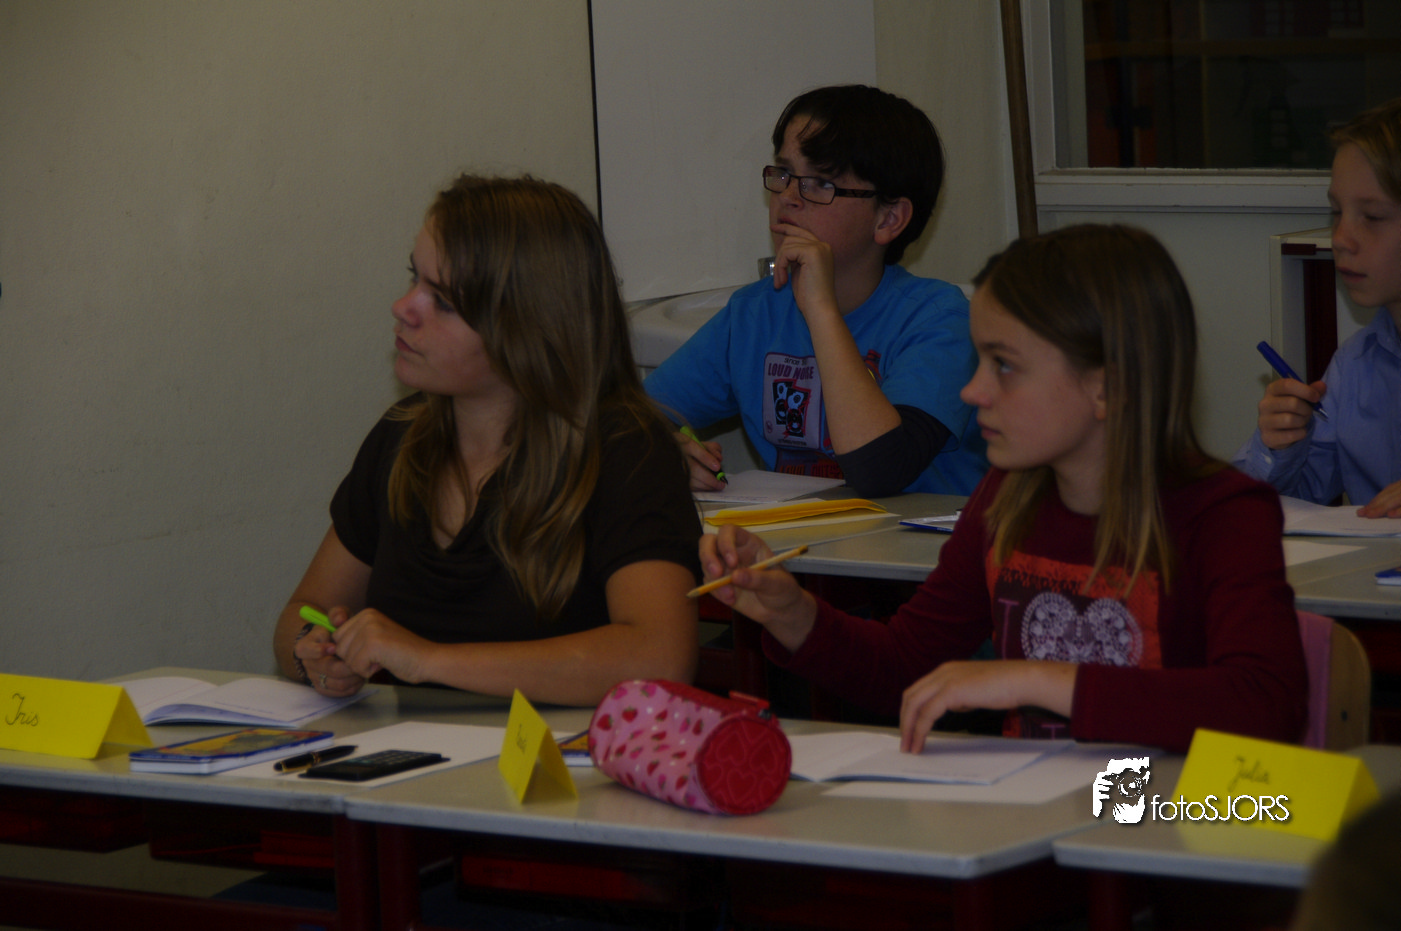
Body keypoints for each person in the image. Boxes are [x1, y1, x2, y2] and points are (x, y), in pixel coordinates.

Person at [699, 224, 1308, 754]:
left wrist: (1036, 680)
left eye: (1005, 365)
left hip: (1164, 815)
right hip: (1035, 810)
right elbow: (905, 665)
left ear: (1107, 386)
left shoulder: (1223, 514)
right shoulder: (1008, 498)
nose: (973, 391)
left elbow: (1265, 705)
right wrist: (793, 613)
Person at [274, 175, 702, 706]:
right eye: (414, 278)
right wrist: (312, 653)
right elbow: (302, 612)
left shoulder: (625, 449)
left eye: (443, 301)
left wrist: (428, 660)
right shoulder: (402, 435)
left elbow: (659, 657)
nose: (403, 307)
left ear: (527, 328)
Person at [643, 84, 987, 498]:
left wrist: (821, 309)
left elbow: (880, 470)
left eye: (821, 183)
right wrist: (665, 451)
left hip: (918, 536)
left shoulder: (940, 319)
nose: (788, 197)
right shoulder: (755, 311)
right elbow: (624, 421)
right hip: (802, 532)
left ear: (889, 219)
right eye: (784, 173)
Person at [1233, 97, 1401, 517]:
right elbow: (1262, 505)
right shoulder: (1357, 366)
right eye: (1336, 212)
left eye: (1372, 216)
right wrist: (1279, 446)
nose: (1340, 238)